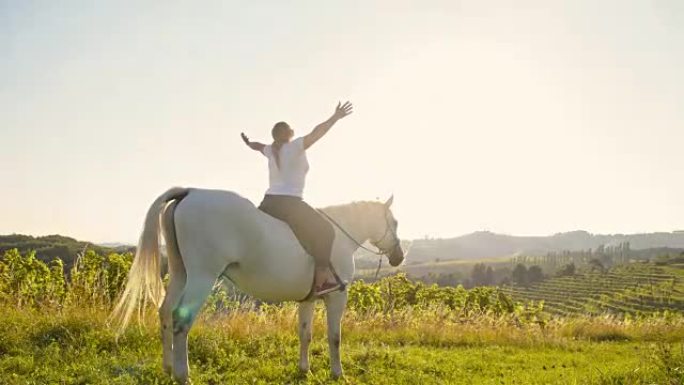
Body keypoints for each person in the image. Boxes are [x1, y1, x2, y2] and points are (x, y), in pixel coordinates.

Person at [241, 101, 354, 296]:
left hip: (268, 203)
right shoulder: (295, 147)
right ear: (289, 134)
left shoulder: (270, 150)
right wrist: (335, 117)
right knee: (326, 231)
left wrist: (248, 142)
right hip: (290, 204)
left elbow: (257, 146)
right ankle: (322, 280)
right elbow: (317, 133)